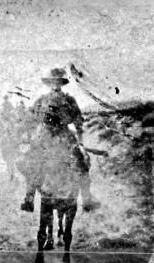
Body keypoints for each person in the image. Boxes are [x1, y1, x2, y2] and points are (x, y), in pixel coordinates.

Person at [20, 68, 101, 213]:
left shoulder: (69, 100)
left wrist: (80, 142)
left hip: (64, 136)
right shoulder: (41, 100)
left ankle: (87, 198)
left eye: (58, 82)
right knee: (32, 162)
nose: (55, 85)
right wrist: (29, 136)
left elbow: (78, 122)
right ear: (48, 84)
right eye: (52, 82)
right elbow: (30, 119)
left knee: (80, 161)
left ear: (62, 84)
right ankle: (29, 198)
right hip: (44, 136)